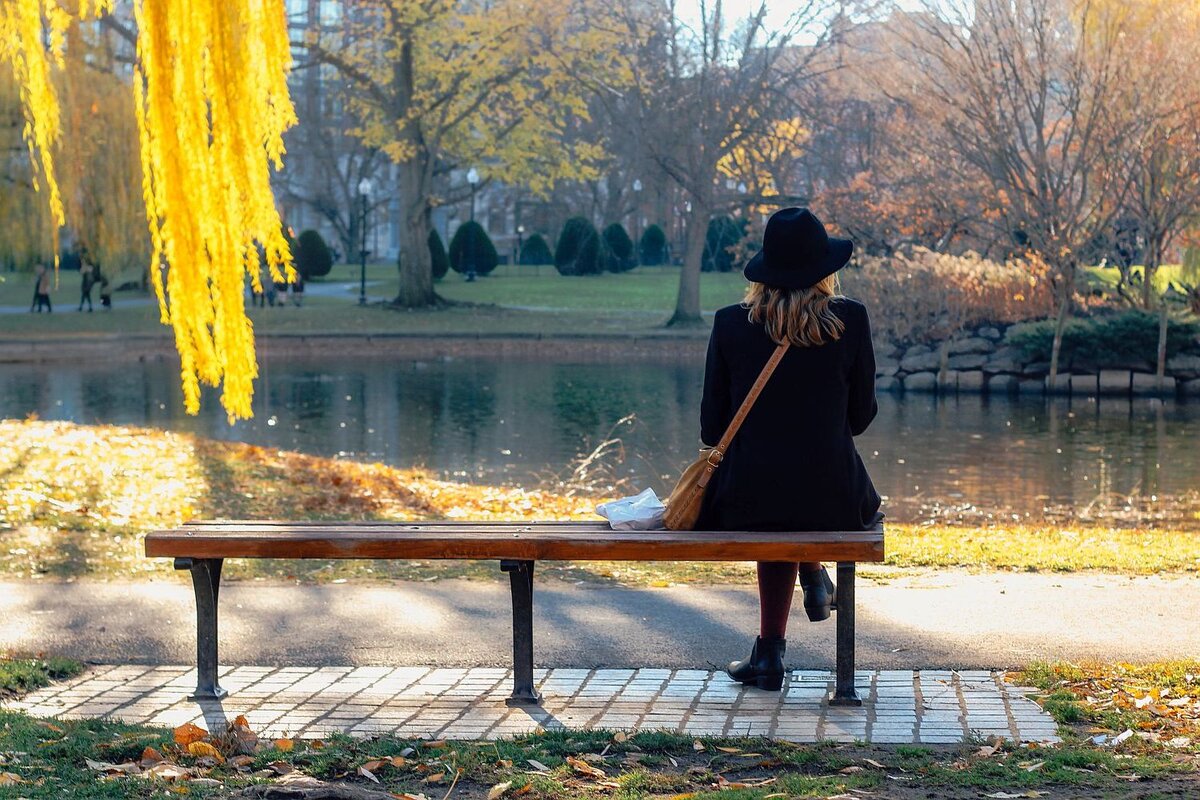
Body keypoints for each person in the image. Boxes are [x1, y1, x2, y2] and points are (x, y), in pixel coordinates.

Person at [697, 207, 881, 692]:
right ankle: (813, 573)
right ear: (825, 269)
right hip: (835, 497)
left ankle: (770, 655)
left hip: (746, 500)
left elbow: (712, 428)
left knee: (773, 501)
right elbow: (860, 419)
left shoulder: (730, 323)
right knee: (795, 497)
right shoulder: (852, 320)